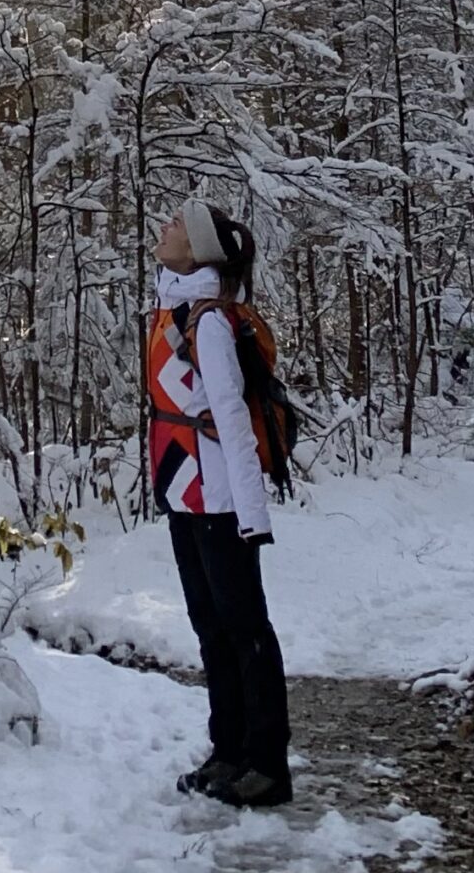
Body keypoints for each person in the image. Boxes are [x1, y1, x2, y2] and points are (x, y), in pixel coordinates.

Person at [146, 194, 295, 807]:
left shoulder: (206, 322)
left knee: (244, 630)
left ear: (199, 248)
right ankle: (228, 752)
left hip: (222, 504)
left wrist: (253, 517)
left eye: (177, 223)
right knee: (212, 630)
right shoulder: (174, 312)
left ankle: (267, 764)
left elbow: (232, 418)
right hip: (187, 500)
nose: (165, 225)